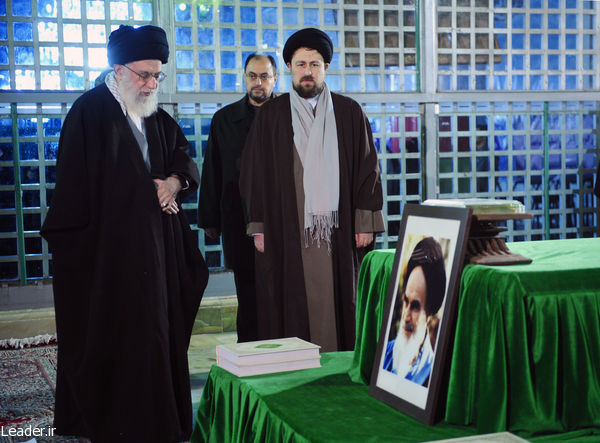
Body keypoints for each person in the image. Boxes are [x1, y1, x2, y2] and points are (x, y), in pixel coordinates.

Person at [40, 25, 208, 442]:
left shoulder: (156, 115)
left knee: (157, 334)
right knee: (118, 338)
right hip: (108, 257)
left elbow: (183, 158)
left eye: (157, 76)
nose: (151, 84)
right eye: (144, 75)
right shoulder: (89, 113)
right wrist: (142, 192)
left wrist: (173, 184)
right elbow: (77, 189)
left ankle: (160, 420)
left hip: (157, 252)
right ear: (118, 70)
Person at [240, 28, 384, 352]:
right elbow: (255, 175)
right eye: (301, 64)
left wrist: (364, 223)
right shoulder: (271, 116)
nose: (308, 72)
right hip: (286, 228)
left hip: (338, 230)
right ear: (289, 67)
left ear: (326, 67)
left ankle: (341, 364)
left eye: (315, 64)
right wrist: (259, 226)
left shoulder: (349, 112)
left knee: (344, 301)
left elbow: (367, 168)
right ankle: (297, 365)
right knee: (289, 303)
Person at [198, 54, 277, 343]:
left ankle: (285, 349)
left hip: (281, 217)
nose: (258, 82)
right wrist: (210, 219)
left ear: (275, 79)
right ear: (244, 78)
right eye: (252, 76)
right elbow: (213, 170)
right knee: (247, 289)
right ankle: (250, 350)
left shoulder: (289, 115)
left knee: (281, 289)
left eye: (264, 76)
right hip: (238, 218)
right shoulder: (225, 119)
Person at [383, 237, 447, 387]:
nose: (406, 315)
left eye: (415, 307)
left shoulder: (431, 374)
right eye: (406, 301)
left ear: (429, 314)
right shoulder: (387, 352)